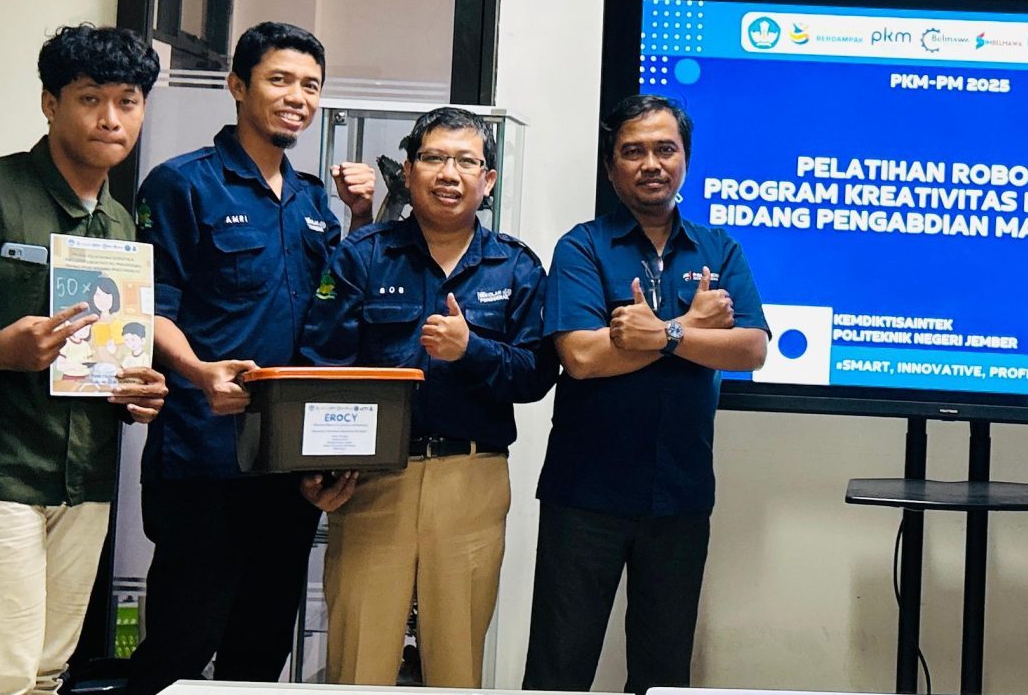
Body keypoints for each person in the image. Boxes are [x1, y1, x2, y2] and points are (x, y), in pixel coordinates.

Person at [125, 22, 374, 694]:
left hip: (286, 463)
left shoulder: (313, 200)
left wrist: (360, 217)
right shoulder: (182, 184)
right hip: (204, 457)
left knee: (260, 654)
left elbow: (331, 318)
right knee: (180, 648)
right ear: (238, 85)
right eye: (280, 79)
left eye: (311, 85)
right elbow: (148, 307)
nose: (297, 97)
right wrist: (199, 371)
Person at [0, 25, 169, 695]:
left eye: (127, 101)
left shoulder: (120, 223)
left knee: (44, 674)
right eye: (90, 99)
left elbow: (107, 351)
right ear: (49, 102)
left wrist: (136, 388)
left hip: (86, 478)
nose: (110, 119)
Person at [299, 107, 553, 686]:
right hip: (372, 479)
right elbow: (321, 365)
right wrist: (317, 466)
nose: (449, 173)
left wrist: (471, 350)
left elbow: (537, 374)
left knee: (455, 666)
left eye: (467, 161)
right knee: (358, 660)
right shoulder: (362, 255)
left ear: (488, 180)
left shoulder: (515, 266)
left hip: (471, 479)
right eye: (434, 158)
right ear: (409, 171)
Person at [524, 95, 769, 695]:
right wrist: (694, 327)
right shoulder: (582, 247)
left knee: (663, 674)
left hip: (680, 496)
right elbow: (582, 358)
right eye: (633, 152)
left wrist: (661, 333)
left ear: (686, 159)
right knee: (559, 669)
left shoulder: (719, 249)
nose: (651, 163)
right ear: (611, 168)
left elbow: (751, 349)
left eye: (665, 149)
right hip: (585, 496)